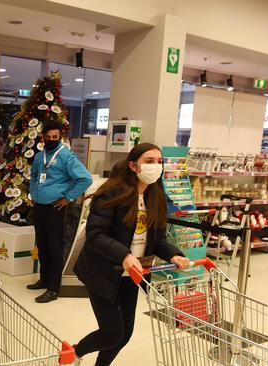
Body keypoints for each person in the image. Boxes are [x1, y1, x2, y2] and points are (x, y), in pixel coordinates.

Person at [72, 143, 190, 365]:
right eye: (149, 161)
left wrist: (174, 255)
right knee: (112, 333)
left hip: (134, 275)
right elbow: (96, 234)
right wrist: (125, 255)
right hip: (102, 271)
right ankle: (75, 353)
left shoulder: (156, 197)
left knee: (125, 335)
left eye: (159, 161)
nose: (156, 166)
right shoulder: (111, 193)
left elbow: (159, 239)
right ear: (134, 166)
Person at [27, 119, 93, 303]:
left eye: (55, 137)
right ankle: (44, 279)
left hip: (56, 208)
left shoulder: (66, 157)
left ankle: (53, 288)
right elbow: (33, 176)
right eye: (48, 137)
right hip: (39, 207)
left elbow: (85, 179)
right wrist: (33, 192)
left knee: (55, 249)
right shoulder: (40, 156)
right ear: (43, 138)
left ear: (60, 137)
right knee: (42, 246)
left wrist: (69, 198)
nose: (51, 139)